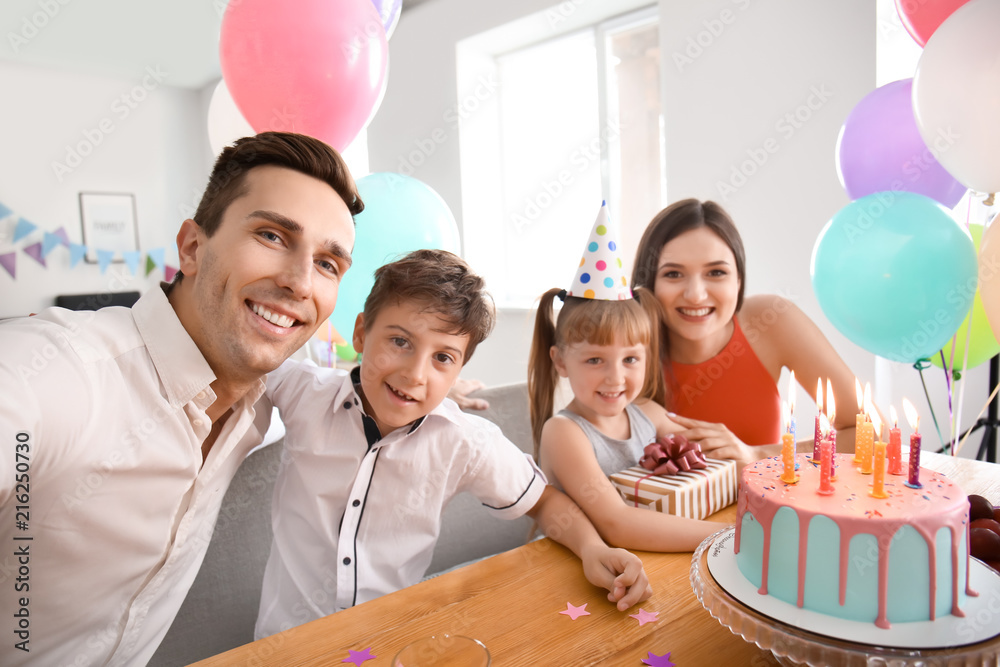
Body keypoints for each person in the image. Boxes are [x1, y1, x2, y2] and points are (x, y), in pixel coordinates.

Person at [0, 132, 361, 666]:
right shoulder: (55, 370)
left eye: (329, 264)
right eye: (272, 235)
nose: (299, 282)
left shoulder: (266, 401)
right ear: (192, 247)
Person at [254, 248, 653, 639]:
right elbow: (234, 357)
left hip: (391, 643)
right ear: (361, 332)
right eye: (400, 342)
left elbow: (546, 501)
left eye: (442, 358)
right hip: (283, 646)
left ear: (459, 369)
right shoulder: (302, 390)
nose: (415, 374)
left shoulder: (465, 440)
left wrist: (592, 549)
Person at [527, 204, 722, 552]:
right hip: (568, 571)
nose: (615, 377)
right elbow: (617, 524)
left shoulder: (648, 412)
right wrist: (727, 535)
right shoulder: (564, 433)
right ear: (560, 362)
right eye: (595, 359)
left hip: (644, 558)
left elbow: (715, 463)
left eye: (630, 358)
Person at [630, 198, 858, 467]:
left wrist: (757, 454)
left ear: (738, 280)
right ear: (648, 284)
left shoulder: (771, 320)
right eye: (673, 274)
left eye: (716, 272)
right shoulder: (623, 344)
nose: (695, 295)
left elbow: (874, 434)